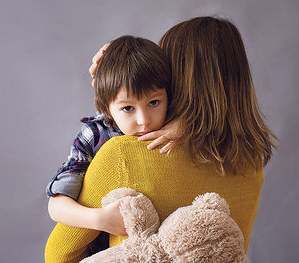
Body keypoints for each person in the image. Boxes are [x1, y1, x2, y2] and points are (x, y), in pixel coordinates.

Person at [45, 16, 278, 263]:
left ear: (173, 78)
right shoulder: (251, 161)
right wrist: (117, 64)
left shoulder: (123, 154)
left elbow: (58, 255)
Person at [46, 35, 174, 239]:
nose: (144, 120)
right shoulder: (96, 135)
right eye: (128, 108)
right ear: (107, 108)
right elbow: (56, 205)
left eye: (154, 103)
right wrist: (99, 219)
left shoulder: (172, 124)